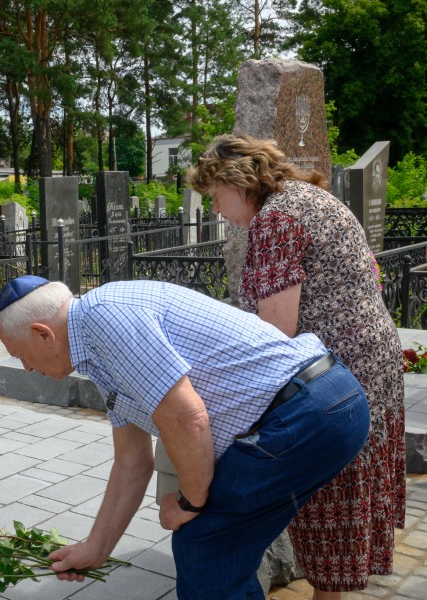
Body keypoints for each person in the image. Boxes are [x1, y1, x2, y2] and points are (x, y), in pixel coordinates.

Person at [0, 276, 370, 600]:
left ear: (42, 334)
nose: (27, 368)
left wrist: (190, 502)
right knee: (221, 547)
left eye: (21, 355)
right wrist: (96, 548)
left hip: (306, 411)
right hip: (322, 406)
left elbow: (187, 419)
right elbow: (131, 462)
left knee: (205, 544)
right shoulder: (96, 349)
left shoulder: (103, 317)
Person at [186, 134, 406, 599]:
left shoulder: (275, 220)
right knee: (347, 487)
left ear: (238, 182)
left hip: (337, 373)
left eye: (215, 198)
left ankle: (327, 594)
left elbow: (276, 333)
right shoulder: (310, 197)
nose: (218, 212)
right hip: (374, 356)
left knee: (328, 491)